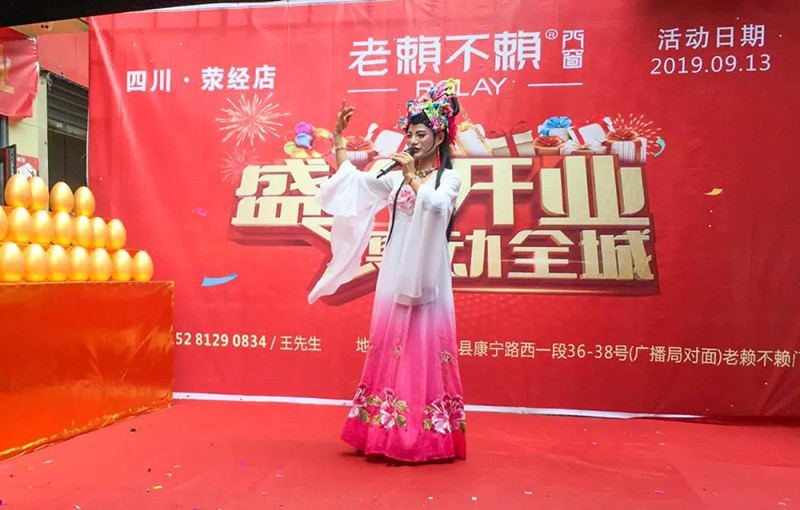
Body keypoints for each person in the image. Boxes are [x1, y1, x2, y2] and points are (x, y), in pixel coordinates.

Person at [308, 79, 466, 463]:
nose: (413, 140)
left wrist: (412, 176)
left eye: (421, 134)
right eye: (410, 134)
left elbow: (437, 208)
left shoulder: (448, 178)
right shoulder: (392, 177)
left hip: (428, 273)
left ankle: (422, 436)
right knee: (391, 342)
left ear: (439, 137)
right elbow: (355, 187)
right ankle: (382, 428)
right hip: (396, 265)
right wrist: (340, 139)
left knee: (422, 346)